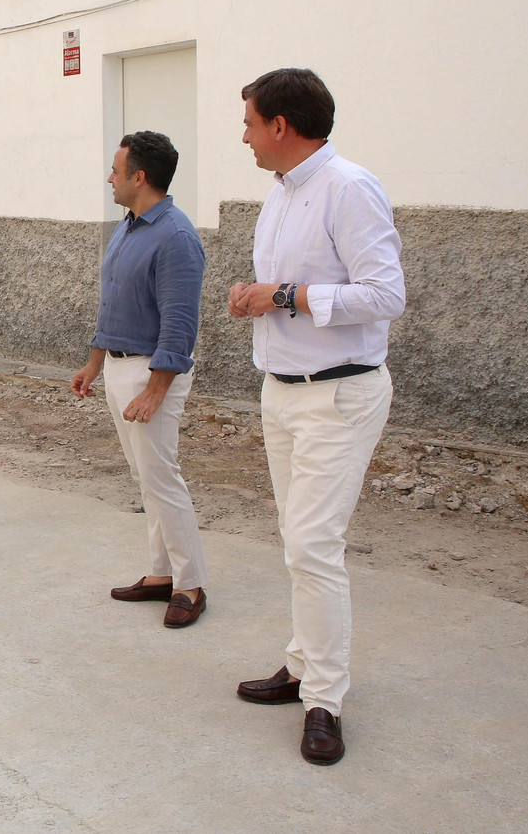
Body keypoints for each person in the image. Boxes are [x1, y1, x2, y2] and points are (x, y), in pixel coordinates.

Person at [228, 68, 404, 766]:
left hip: (340, 395)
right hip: (283, 391)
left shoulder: (349, 187)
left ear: (281, 126)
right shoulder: (279, 194)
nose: (242, 136)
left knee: (312, 545)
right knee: (296, 539)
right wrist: (256, 296)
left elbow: (385, 294)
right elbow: (282, 291)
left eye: (248, 123)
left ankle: (324, 699)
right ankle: (302, 665)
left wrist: (285, 296)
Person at [70, 131, 209, 629]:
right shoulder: (128, 227)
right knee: (145, 479)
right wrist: (93, 363)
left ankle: (190, 584)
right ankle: (161, 574)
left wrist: (156, 388)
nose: (109, 177)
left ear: (139, 177)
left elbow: (179, 322)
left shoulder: (175, 236)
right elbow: (112, 305)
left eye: (115, 169)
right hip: (119, 368)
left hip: (152, 373)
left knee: (162, 479)